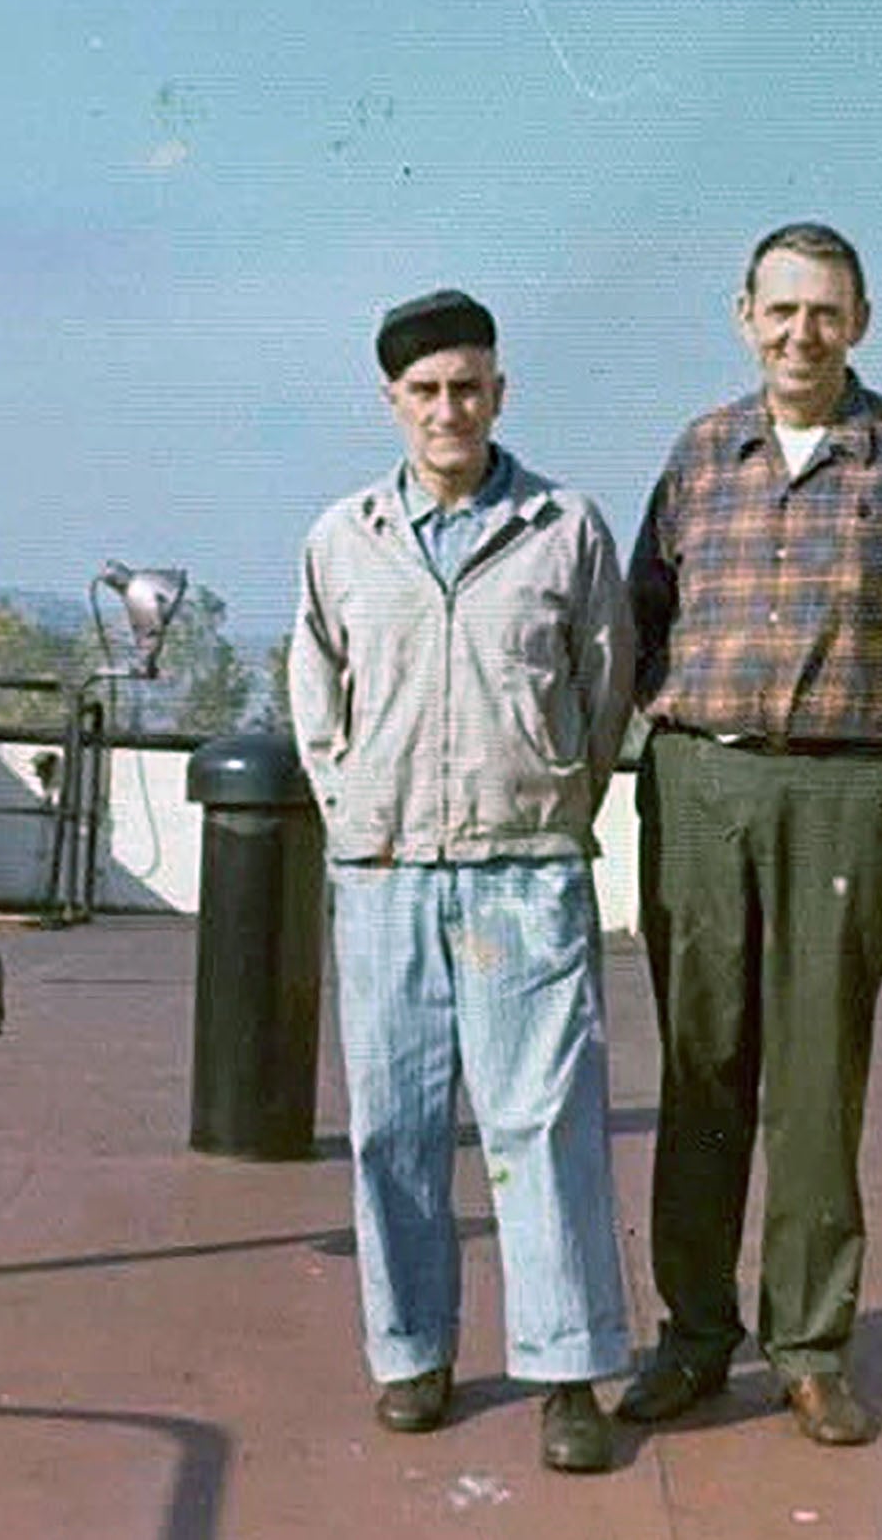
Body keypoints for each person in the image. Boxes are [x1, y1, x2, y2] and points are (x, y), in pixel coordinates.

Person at [624, 223, 882, 1445]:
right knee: (701, 1064)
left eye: (825, 312)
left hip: (848, 796)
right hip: (703, 788)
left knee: (819, 1081)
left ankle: (812, 1345)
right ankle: (693, 1332)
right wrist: (696, 746)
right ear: (744, 315)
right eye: (781, 311)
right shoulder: (697, 454)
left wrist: (875, 754)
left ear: (862, 320)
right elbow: (643, 623)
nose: (802, 334)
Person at [287, 288, 635, 1474]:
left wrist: (544, 801)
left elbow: (604, 689)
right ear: (394, 402)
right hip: (385, 874)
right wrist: (359, 816)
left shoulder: (562, 527)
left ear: (500, 391)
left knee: (542, 1125)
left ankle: (567, 1366)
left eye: (468, 386)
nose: (450, 408)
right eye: (426, 390)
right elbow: (315, 697)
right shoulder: (342, 538)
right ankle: (411, 1348)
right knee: (393, 1122)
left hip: (521, 875)